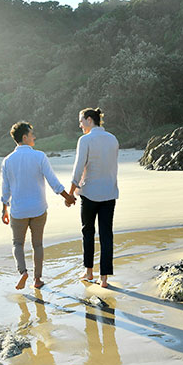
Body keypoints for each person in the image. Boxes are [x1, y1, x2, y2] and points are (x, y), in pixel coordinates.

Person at [1, 121, 75, 289]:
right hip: (38, 209)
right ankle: (37, 279)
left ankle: (23, 272)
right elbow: (53, 182)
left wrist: (4, 208)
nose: (34, 137)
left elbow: (6, 190)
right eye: (31, 134)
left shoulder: (7, 161)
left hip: (18, 210)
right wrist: (67, 197)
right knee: (38, 244)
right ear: (24, 137)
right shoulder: (39, 156)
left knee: (17, 244)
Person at [69, 108, 119, 288]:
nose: (80, 125)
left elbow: (79, 166)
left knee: (87, 232)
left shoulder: (85, 140)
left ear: (89, 120)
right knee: (106, 234)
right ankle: (104, 278)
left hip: (89, 193)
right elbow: (112, 167)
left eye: (81, 121)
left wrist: (70, 191)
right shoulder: (113, 139)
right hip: (109, 193)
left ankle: (89, 272)